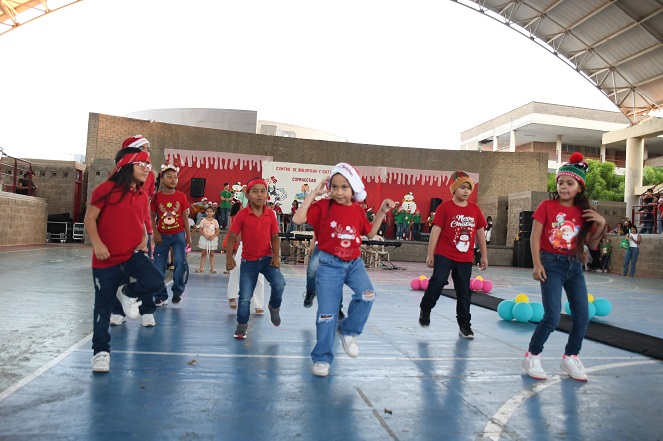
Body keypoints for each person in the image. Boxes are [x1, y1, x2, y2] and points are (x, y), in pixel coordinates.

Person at [292, 162, 395, 377]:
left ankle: (348, 330)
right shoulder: (323, 206)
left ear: (354, 188)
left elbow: (370, 233)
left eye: (344, 187)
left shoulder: (357, 210)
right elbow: (298, 219)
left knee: (367, 295)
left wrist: (382, 212)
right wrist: (315, 192)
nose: (338, 192)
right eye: (334, 186)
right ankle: (322, 358)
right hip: (329, 264)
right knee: (327, 315)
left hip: (354, 264)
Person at [522, 153, 605, 382]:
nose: (564, 187)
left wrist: (601, 223)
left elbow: (592, 244)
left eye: (570, 183)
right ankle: (532, 355)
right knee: (552, 316)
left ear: (579, 187)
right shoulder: (547, 206)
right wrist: (537, 264)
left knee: (583, 315)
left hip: (574, 265)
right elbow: (535, 237)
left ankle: (570, 356)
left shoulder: (583, 212)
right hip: (551, 263)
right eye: (560, 182)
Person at [84, 147, 165, 373]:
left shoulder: (142, 195)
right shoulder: (105, 189)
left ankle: (128, 293)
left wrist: (142, 238)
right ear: (127, 164)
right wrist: (98, 244)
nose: (147, 170)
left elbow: (140, 220)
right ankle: (101, 352)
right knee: (102, 308)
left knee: (156, 282)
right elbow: (90, 218)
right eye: (143, 164)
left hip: (131, 256)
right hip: (105, 261)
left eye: (149, 166)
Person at [418, 170, 488, 340]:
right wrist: (430, 254)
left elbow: (480, 232)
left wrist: (483, 255)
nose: (466, 191)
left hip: (465, 257)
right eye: (462, 187)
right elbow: (436, 231)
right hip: (445, 253)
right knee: (438, 281)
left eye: (468, 188)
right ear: (454, 189)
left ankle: (464, 325)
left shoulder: (474, 209)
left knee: (464, 291)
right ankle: (426, 308)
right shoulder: (445, 207)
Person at [225, 177, 285, 340]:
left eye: (263, 191)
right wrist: (229, 258)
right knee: (245, 296)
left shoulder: (271, 214)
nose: (259, 195)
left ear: (267, 194)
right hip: (248, 261)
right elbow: (231, 237)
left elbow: (274, 236)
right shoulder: (243, 215)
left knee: (279, 283)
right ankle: (242, 325)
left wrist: (276, 256)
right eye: (255, 191)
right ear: (248, 194)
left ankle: (274, 306)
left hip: (267, 258)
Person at [109, 135, 159, 327]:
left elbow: (145, 202)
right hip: (118, 232)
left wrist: (148, 229)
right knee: (117, 272)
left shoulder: (150, 175)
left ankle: (147, 309)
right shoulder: (116, 175)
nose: (148, 151)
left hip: (141, 228)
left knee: (144, 271)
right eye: (145, 147)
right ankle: (117, 311)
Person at [151, 164, 192, 305]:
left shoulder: (181, 196)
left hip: (178, 235)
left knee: (180, 263)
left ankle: (177, 291)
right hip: (161, 237)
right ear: (162, 179)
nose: (173, 179)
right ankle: (160, 295)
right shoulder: (156, 197)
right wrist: (155, 232)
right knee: (158, 267)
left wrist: (188, 236)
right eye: (169, 177)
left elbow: (185, 217)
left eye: (175, 177)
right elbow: (151, 217)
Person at [195, 207, 220, 273]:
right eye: (207, 211)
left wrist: (213, 236)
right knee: (204, 253)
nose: (209, 213)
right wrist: (205, 235)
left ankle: (212, 268)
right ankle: (201, 268)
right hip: (205, 238)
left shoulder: (215, 221)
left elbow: (217, 230)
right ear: (206, 212)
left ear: (213, 212)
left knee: (212, 254)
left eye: (211, 211)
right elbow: (200, 229)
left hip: (212, 238)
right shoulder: (203, 220)